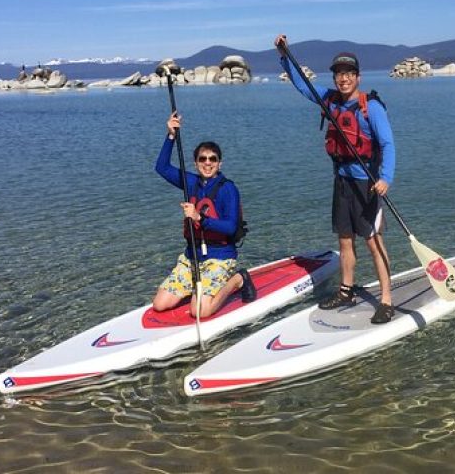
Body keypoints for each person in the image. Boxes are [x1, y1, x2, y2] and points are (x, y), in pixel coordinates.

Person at [275, 34, 396, 324]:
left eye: (348, 74)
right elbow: (303, 86)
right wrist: (283, 55)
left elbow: (388, 144)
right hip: (341, 181)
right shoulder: (329, 99)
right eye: (339, 74)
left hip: (367, 184)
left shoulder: (372, 107)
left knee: (373, 243)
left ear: (357, 76)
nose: (343, 79)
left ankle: (387, 299)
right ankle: (346, 290)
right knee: (344, 241)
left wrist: (386, 178)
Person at [152, 112, 255, 317]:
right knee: (160, 304)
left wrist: (200, 218)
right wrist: (170, 136)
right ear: (196, 163)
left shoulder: (228, 189)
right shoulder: (191, 183)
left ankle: (238, 279)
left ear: (220, 163)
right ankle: (197, 289)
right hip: (191, 257)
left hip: (219, 258)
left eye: (213, 159)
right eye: (202, 159)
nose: (208, 163)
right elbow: (161, 168)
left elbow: (231, 227)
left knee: (200, 311)